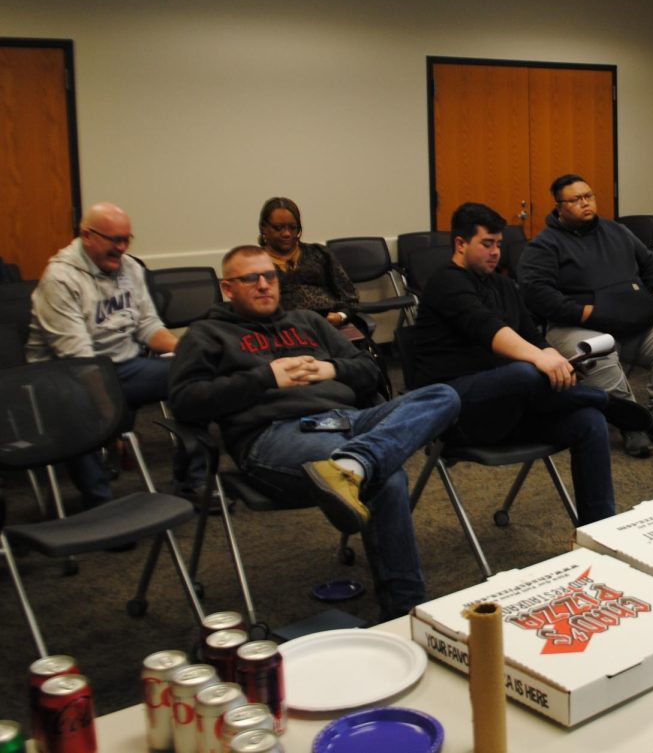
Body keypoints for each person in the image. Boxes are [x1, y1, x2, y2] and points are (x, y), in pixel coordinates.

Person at [168, 245, 460, 619]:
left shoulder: (307, 321)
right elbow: (186, 401)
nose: (264, 285)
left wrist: (332, 371)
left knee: (443, 395)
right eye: (251, 278)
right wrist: (265, 377)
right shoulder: (207, 334)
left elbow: (370, 370)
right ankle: (404, 609)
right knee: (386, 480)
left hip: (349, 420)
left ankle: (355, 463)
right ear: (228, 288)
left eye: (270, 276)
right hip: (273, 434)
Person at [410, 203, 653, 524]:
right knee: (526, 372)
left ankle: (598, 531)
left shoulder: (503, 286)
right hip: (458, 411)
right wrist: (541, 360)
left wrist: (562, 363)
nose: (496, 252)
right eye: (486, 244)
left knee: (589, 422)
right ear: (460, 244)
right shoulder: (445, 283)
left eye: (498, 244)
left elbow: (533, 339)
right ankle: (602, 398)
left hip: (514, 407)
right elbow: (486, 328)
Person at [27, 202, 204, 507]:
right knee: (79, 407)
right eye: (114, 240)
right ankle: (101, 503)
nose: (122, 248)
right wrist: (114, 422)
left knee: (193, 375)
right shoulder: (60, 279)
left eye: (126, 239)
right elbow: (80, 359)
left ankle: (194, 483)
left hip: (123, 367)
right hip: (64, 377)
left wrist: (186, 352)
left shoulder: (131, 268)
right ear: (87, 235)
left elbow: (148, 326)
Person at [518, 174, 653, 458]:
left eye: (588, 196)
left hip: (634, 319)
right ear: (559, 206)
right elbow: (537, 294)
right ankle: (632, 423)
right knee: (598, 354)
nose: (585, 203)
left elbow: (651, 263)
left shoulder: (617, 231)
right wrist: (584, 312)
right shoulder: (544, 245)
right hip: (576, 325)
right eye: (576, 199)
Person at [257, 197, 358, 328]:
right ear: (263, 227)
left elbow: (350, 297)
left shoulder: (319, 253)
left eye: (293, 227)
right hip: (282, 330)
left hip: (330, 326)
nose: (287, 233)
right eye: (278, 228)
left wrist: (341, 315)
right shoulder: (254, 262)